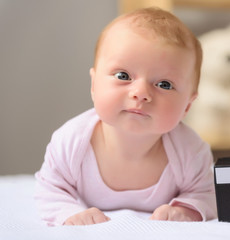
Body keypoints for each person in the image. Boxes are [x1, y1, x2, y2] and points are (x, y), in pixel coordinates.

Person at [34, 7, 217, 226]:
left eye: (164, 84)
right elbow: (50, 188)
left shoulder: (190, 151)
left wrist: (186, 210)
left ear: (187, 105)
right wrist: (68, 213)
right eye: (123, 76)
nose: (140, 93)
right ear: (94, 85)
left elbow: (207, 194)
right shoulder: (71, 142)